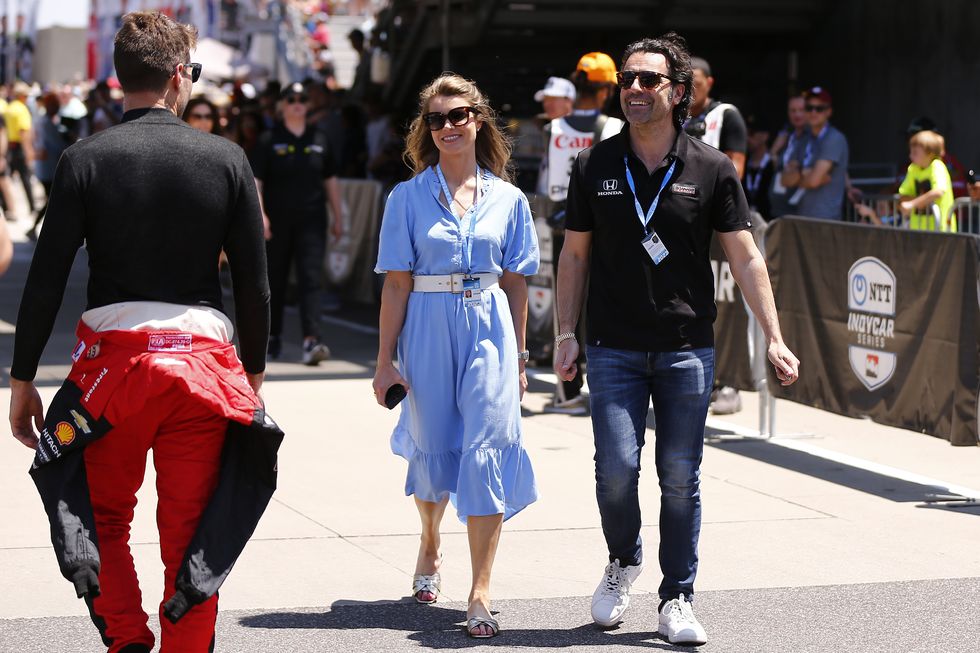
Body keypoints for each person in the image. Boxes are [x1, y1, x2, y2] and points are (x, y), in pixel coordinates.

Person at [8, 11, 278, 653]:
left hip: (111, 378)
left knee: (99, 517)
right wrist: (254, 378)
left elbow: (44, 280)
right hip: (203, 372)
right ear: (179, 76)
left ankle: (127, 640)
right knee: (191, 532)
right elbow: (255, 284)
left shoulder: (84, 158)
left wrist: (22, 381)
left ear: (118, 77)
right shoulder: (227, 158)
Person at [554, 33, 799, 645]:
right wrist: (564, 332)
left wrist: (775, 336)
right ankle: (623, 559)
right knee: (616, 470)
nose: (634, 89)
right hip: (611, 344)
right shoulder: (594, 164)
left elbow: (746, 259)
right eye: (627, 80)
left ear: (679, 91)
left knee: (679, 476)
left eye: (648, 80)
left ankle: (677, 597)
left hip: (687, 345)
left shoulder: (712, 168)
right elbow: (575, 257)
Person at [372, 73, 540, 639]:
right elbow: (396, 284)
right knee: (433, 445)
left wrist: (519, 356)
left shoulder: (510, 199)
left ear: (479, 120)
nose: (449, 126)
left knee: (487, 446)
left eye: (459, 115)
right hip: (425, 323)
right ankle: (429, 540)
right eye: (437, 119)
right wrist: (383, 361)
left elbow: (516, 283)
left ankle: (481, 591)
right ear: (427, 129)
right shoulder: (407, 196)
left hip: (489, 326)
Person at [539, 52, 624, 416]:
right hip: (607, 224)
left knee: (567, 305)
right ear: (606, 89)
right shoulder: (616, 128)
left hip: (564, 226)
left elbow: (544, 180)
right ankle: (609, 384)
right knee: (606, 300)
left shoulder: (553, 129)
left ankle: (568, 390)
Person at [251, 81, 343, 364]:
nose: (297, 103)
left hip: (312, 220)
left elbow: (331, 180)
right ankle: (272, 337)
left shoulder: (320, 138)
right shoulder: (268, 139)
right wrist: (261, 215)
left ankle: (311, 340)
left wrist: (339, 216)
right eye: (291, 99)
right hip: (277, 222)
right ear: (282, 106)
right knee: (274, 281)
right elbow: (257, 182)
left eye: (302, 99)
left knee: (311, 280)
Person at [684, 56, 749, 415]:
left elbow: (734, 169)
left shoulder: (726, 115)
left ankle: (730, 383)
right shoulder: (676, 115)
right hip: (685, 227)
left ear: (710, 81)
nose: (691, 87)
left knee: (727, 306)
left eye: (697, 79)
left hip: (721, 226)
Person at [780, 86, 849, 220]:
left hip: (826, 219)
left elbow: (814, 181)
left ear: (829, 111)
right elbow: (784, 180)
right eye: (809, 108)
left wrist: (799, 175)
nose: (813, 112)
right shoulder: (803, 139)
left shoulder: (834, 138)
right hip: (800, 216)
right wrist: (805, 173)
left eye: (819, 109)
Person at [684, 57, 747, 178]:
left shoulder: (726, 114)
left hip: (712, 191)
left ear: (709, 83)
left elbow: (736, 171)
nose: (691, 90)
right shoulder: (673, 116)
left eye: (697, 84)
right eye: (686, 84)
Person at [26, 91, 70, 241]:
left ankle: (38, 228)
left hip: (45, 166)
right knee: (52, 200)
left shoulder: (42, 120)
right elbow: (57, 145)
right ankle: (37, 228)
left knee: (51, 200)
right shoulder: (46, 122)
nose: (57, 108)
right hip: (48, 167)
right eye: (55, 105)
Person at [768, 94, 807, 218]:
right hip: (779, 209)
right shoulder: (788, 136)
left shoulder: (814, 138)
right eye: (793, 110)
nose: (797, 114)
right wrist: (774, 151)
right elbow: (777, 167)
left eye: (801, 110)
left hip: (799, 212)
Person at [4, 80, 36, 217]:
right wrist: (29, 152)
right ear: (22, 95)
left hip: (9, 147)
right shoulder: (22, 109)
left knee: (6, 179)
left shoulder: (9, 108)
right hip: (19, 148)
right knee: (25, 178)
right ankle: (32, 207)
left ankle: (7, 207)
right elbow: (24, 133)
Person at [742, 115, 774, 220]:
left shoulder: (774, 164)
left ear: (765, 136)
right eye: (745, 134)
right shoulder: (742, 163)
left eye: (751, 133)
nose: (747, 138)